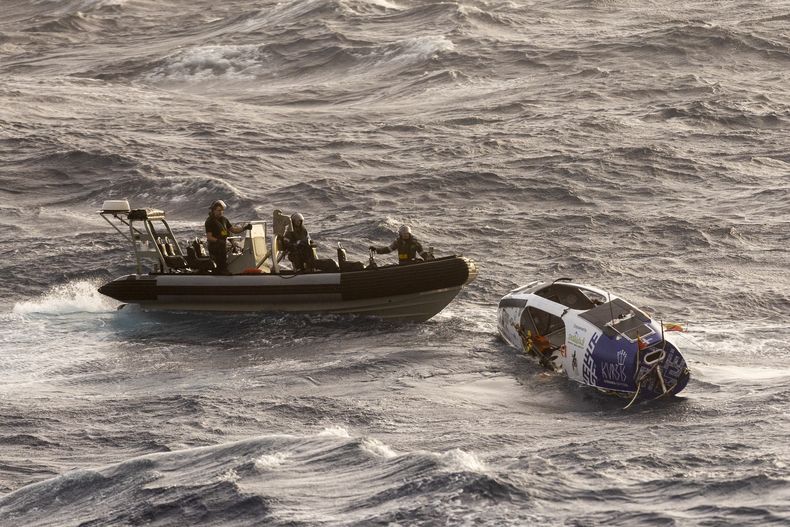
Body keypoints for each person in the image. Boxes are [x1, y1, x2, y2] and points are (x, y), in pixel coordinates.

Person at [204, 200, 251, 275]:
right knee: (220, 255)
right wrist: (218, 241)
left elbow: (233, 230)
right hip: (215, 246)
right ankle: (221, 273)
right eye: (219, 210)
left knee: (229, 254)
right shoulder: (209, 221)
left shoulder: (224, 220)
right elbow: (209, 237)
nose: (221, 212)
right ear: (213, 211)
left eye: (222, 210)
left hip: (223, 244)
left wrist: (245, 228)